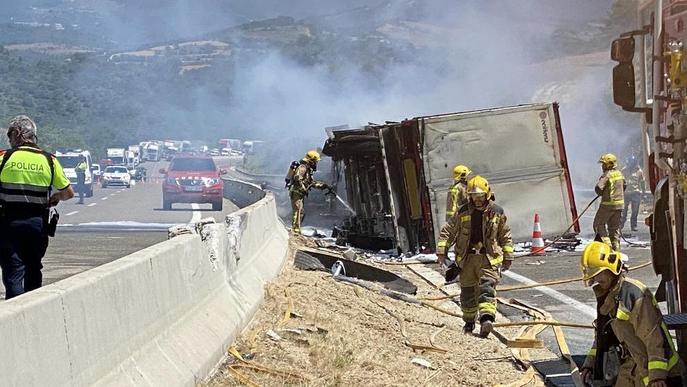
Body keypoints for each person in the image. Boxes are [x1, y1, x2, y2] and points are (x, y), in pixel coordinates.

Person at [580, 241, 685, 386]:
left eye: (599, 275)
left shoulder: (634, 294)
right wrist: (589, 364)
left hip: (660, 372)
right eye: (593, 277)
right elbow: (603, 336)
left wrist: (657, 376)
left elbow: (653, 337)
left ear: (612, 270)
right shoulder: (608, 297)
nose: (596, 281)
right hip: (633, 366)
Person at [0, 115, 74, 299]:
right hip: (37, 225)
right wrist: (55, 197)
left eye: (10, 136)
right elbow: (68, 193)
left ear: (17, 134)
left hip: (8, 224)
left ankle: (15, 312)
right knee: (34, 267)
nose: (9, 141)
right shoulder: (49, 161)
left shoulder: (4, 158)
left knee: (13, 270)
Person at [436, 175, 514, 338]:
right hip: (467, 260)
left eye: (479, 197)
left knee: (487, 287)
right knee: (467, 293)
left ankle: (486, 320)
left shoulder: (497, 212)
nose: (477, 201)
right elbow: (448, 231)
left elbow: (504, 234)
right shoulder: (463, 211)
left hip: (488, 258)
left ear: (487, 194)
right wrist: (442, 252)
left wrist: (508, 255)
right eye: (473, 197)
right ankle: (469, 322)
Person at [288, 150, 330, 234]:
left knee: (301, 211)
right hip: (297, 192)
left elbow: (310, 183)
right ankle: (295, 231)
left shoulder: (308, 170)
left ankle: (297, 229)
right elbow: (297, 177)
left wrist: (322, 186)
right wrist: (303, 187)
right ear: (311, 160)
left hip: (299, 193)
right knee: (297, 211)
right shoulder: (303, 167)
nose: (316, 164)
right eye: (315, 162)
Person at [594, 153, 625, 251]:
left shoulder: (607, 175)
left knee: (598, 225)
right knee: (614, 229)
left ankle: (608, 246)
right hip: (619, 206)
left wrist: (601, 193)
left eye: (603, 164)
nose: (602, 166)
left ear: (608, 164)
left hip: (607, 206)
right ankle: (616, 251)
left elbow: (599, 187)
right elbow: (624, 185)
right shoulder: (620, 174)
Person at [622, 163, 645, 232]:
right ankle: (621, 224)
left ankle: (634, 225)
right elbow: (621, 181)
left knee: (635, 211)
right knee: (623, 210)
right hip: (626, 193)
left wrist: (643, 192)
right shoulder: (624, 170)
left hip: (636, 193)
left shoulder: (639, 171)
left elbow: (642, 182)